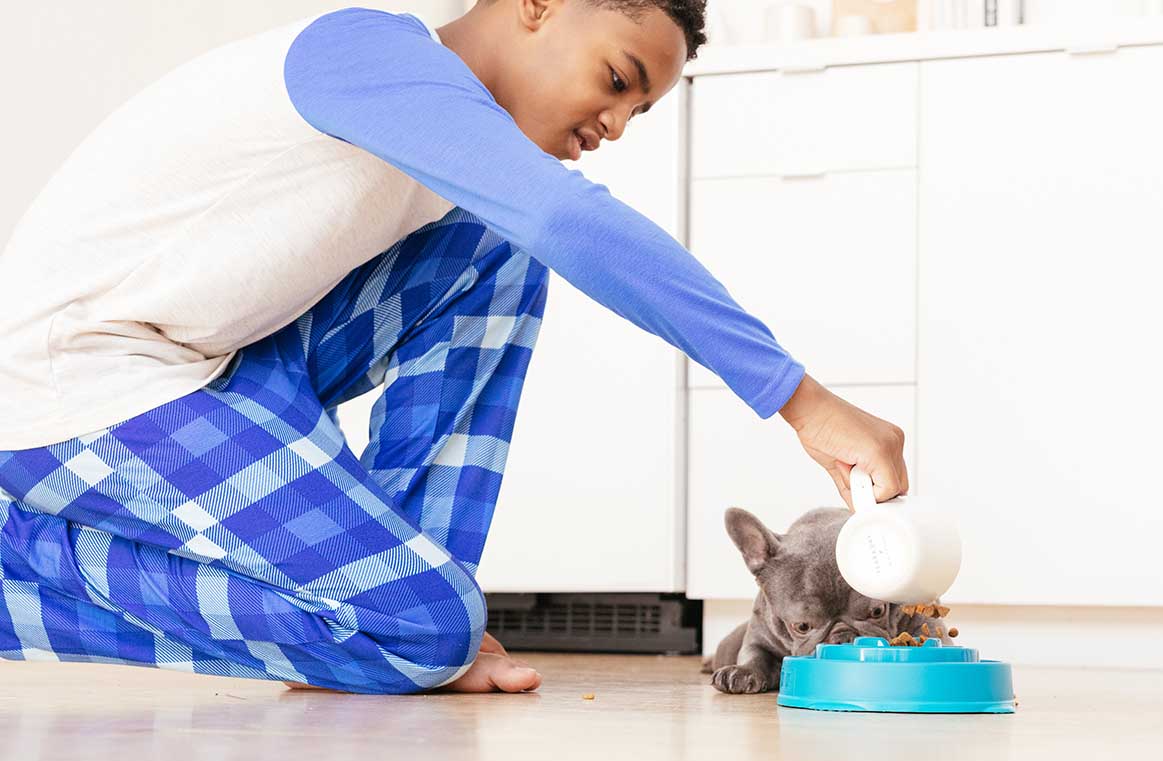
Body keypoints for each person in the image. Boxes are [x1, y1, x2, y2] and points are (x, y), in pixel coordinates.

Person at [0, 0, 907, 694]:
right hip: (73, 388)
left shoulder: (444, 139)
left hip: (215, 367)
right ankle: (23, 564)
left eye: (641, 107)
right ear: (539, 3)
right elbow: (565, 217)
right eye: (620, 78)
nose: (618, 124)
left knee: (497, 251)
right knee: (529, 232)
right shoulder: (367, 54)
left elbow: (531, 227)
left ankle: (415, 618)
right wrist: (802, 399)